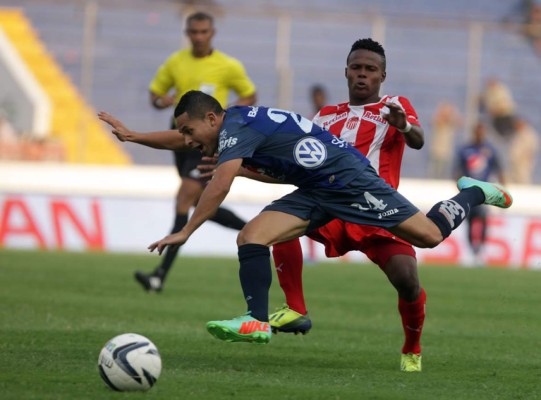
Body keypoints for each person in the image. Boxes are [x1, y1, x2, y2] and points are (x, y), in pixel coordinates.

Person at [98, 91, 512, 361]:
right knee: (253, 235)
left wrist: (186, 231)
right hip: (316, 187)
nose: (188, 140)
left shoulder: (236, 128)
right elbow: (185, 140)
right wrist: (133, 137)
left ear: (211, 118)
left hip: (349, 180)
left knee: (429, 236)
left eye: (190, 131)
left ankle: (473, 192)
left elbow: (219, 183)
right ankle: (255, 320)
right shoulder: (233, 125)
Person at [268, 38, 427, 372]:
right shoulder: (325, 117)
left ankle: (412, 347)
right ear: (346, 71)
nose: (362, 75)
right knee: (279, 221)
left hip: (379, 214)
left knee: (408, 281)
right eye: (357, 68)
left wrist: (404, 125)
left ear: (383, 75)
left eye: (370, 70)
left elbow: (418, 140)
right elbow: (301, 161)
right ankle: (295, 308)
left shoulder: (393, 106)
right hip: (334, 211)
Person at [137, 11, 257, 292]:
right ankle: (256, 229)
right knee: (199, 203)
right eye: (194, 32)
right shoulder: (175, 62)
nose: (199, 37)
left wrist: (229, 117)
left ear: (212, 33)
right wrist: (161, 101)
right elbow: (155, 95)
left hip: (207, 140)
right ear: (187, 34)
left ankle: (159, 276)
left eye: (204, 32)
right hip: (180, 139)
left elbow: (249, 94)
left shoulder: (228, 65)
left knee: (184, 199)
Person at [454, 121, 506, 265]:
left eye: (482, 131)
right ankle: (472, 252)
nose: (480, 134)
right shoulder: (465, 149)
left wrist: (502, 189)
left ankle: (481, 250)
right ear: (474, 132)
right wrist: (458, 186)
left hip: (485, 192)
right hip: (468, 192)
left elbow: (499, 169)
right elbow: (457, 170)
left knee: (483, 220)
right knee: (470, 222)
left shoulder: (490, 150)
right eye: (478, 131)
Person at [429, 101, 462, 179]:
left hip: (446, 151)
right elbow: (436, 120)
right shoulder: (438, 120)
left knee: (444, 173)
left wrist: (453, 112)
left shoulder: (451, 123)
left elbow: (460, 122)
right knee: (434, 172)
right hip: (436, 150)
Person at [509, 118, 539, 184]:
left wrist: (526, 156)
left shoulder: (529, 134)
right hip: (516, 161)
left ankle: (525, 189)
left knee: (523, 176)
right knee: (515, 176)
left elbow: (533, 147)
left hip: (524, 160)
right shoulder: (517, 134)